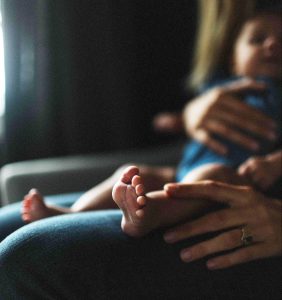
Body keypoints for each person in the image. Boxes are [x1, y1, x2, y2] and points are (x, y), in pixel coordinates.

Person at [0, 1, 281, 298]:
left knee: (214, 175)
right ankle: (70, 212)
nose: (272, 44)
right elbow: (176, 121)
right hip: (182, 169)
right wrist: (187, 116)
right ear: (234, 60)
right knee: (134, 173)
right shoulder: (222, 86)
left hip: (239, 183)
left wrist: (274, 164)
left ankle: (148, 213)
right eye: (257, 39)